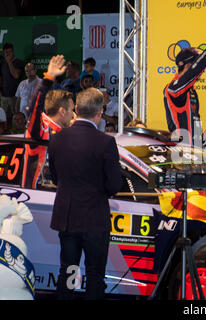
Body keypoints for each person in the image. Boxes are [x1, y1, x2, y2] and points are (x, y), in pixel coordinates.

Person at [48, 87, 123, 300]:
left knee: (69, 272)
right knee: (95, 275)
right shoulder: (106, 142)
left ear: (77, 110)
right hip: (94, 220)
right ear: (99, 112)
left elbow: (55, 179)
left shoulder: (57, 140)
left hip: (67, 218)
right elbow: (114, 185)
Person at [163, 19, 206, 145]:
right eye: (197, 64)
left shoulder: (191, 90)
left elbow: (193, 124)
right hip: (181, 153)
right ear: (187, 66)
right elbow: (194, 71)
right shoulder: (172, 89)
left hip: (193, 153)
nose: (203, 71)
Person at [22, 55, 75, 189]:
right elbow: (34, 108)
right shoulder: (41, 129)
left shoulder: (63, 133)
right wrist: (49, 78)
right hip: (35, 200)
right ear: (62, 111)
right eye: (72, 110)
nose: (74, 114)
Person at [0, 43, 25, 124]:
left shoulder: (19, 62)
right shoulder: (3, 64)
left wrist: (9, 62)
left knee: (16, 120)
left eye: (9, 52)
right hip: (4, 97)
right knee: (4, 120)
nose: (7, 54)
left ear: (13, 51)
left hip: (15, 97)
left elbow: (16, 75)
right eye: (6, 52)